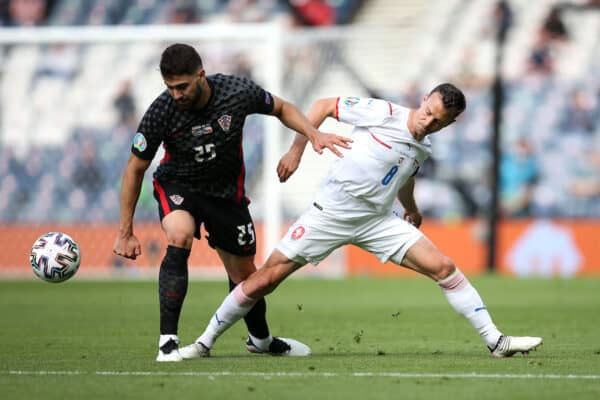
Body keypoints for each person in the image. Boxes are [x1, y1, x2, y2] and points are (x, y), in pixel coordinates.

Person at [179, 84, 543, 359]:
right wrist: (298, 148)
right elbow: (323, 106)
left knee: (444, 267)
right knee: (266, 279)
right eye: (427, 110)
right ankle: (204, 342)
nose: (426, 120)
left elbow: (406, 175)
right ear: (425, 99)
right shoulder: (384, 112)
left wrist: (411, 208)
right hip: (332, 212)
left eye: (437, 120)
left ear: (449, 124)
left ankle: (496, 341)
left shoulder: (424, 147)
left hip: (377, 220)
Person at [112, 43, 351, 362]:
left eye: (182, 87)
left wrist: (311, 134)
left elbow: (281, 107)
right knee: (179, 236)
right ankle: (167, 344)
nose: (177, 95)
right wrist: (125, 231)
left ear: (201, 75)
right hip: (179, 185)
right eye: (170, 88)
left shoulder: (236, 91)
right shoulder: (161, 111)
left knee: (245, 276)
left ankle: (261, 341)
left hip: (226, 194)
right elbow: (135, 168)